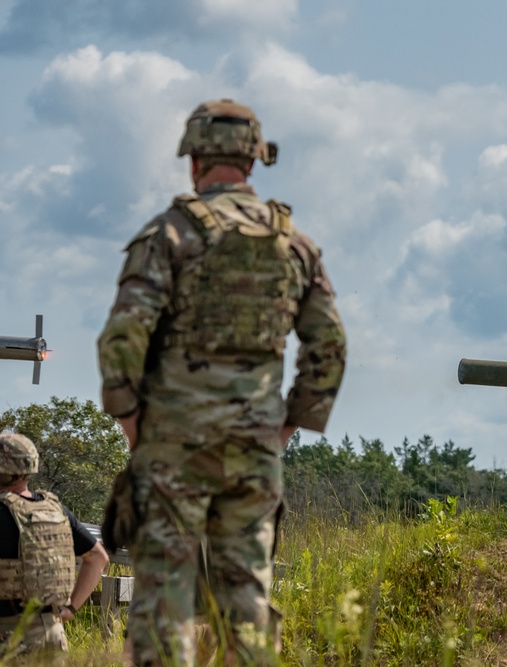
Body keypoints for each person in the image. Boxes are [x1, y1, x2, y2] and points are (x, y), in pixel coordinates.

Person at [97, 99, 347, 666]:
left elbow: (121, 339)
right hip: (253, 453)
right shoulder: (296, 246)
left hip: (173, 449)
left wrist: (135, 425)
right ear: (255, 161)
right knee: (247, 603)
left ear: (193, 161)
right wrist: (282, 429)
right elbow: (329, 347)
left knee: (164, 604)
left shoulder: (167, 235)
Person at [0, 433, 109, 663]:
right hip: (54, 635)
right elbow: (98, 557)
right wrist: (71, 608)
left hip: (7, 638)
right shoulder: (57, 510)